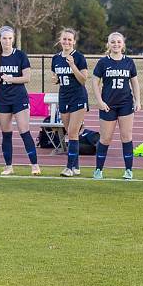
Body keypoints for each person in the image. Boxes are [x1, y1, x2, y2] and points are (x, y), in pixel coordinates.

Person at [0, 26, 41, 176]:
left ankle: (35, 165)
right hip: (3, 99)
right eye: (4, 38)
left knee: (24, 131)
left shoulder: (20, 55)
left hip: (19, 98)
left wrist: (11, 79)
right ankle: (8, 167)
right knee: (6, 133)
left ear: (13, 39)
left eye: (10, 38)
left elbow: (27, 78)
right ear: (0, 39)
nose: (7, 41)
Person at [91, 32, 141, 180]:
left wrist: (137, 101)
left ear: (123, 44)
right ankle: (98, 170)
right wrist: (99, 101)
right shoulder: (103, 62)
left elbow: (135, 82)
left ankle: (128, 170)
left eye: (119, 42)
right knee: (105, 138)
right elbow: (94, 82)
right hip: (108, 104)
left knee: (126, 137)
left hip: (125, 103)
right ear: (108, 44)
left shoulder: (129, 62)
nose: (116, 44)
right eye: (113, 42)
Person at [51, 28, 89, 177]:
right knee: (71, 134)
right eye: (64, 39)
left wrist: (73, 65)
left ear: (74, 41)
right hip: (64, 97)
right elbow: (55, 77)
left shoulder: (79, 57)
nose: (66, 42)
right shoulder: (56, 58)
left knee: (73, 132)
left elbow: (83, 79)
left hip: (78, 96)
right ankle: (76, 166)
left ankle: (68, 168)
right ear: (60, 40)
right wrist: (55, 80)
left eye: (69, 39)